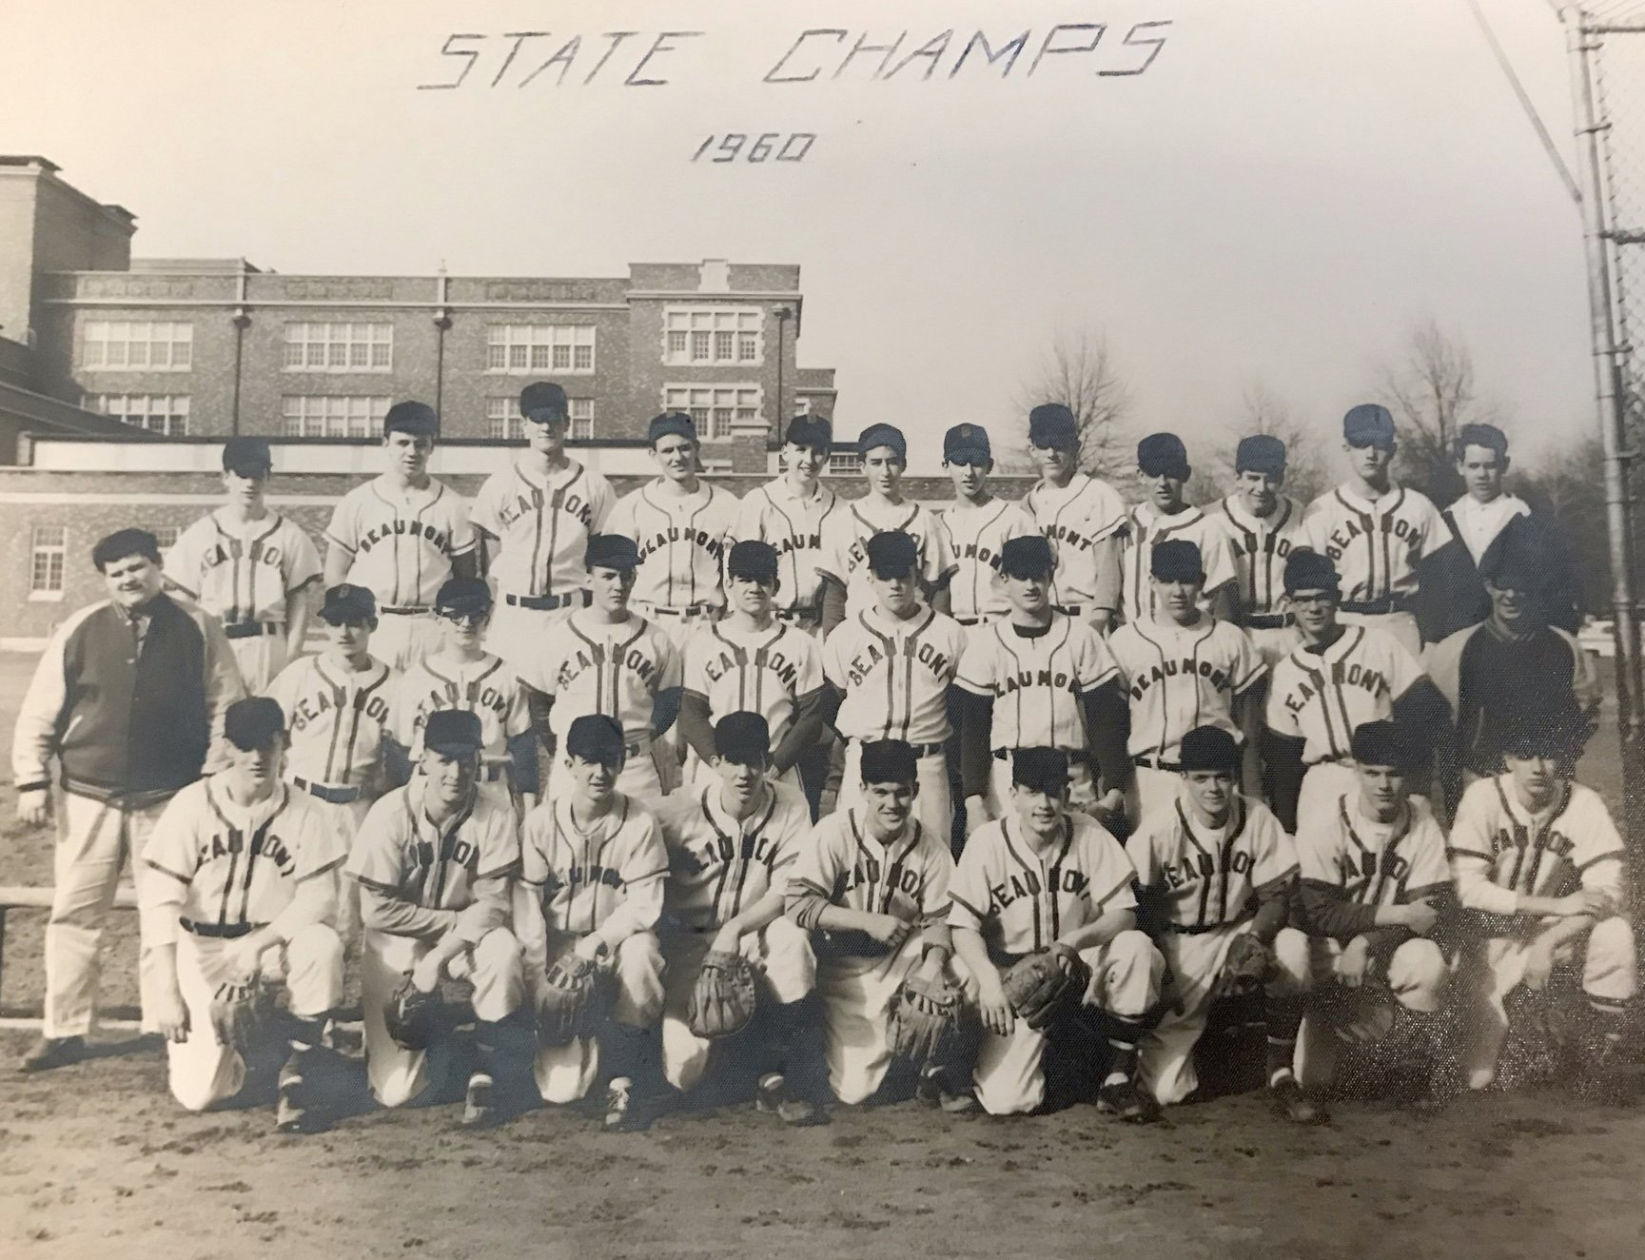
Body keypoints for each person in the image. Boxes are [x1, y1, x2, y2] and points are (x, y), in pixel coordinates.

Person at [13, 527, 245, 1072]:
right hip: (88, 795)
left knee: (164, 913)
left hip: (169, 797)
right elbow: (41, 709)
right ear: (105, 580)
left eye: (136, 568)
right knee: (74, 912)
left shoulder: (197, 626)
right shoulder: (80, 628)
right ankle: (65, 1028)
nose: (128, 580)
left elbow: (227, 703)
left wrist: (212, 774)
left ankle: (158, 1021)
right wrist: (30, 780)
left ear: (158, 567)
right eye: (116, 573)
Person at [140, 697, 346, 1131]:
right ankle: (267, 1051)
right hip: (202, 949)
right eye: (246, 745)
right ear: (229, 748)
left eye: (268, 744)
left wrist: (258, 945)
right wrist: (167, 990)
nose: (258, 756)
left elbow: (320, 897)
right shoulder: (192, 805)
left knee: (321, 944)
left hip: (271, 946)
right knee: (200, 1096)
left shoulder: (307, 811)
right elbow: (160, 900)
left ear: (284, 744)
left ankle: (301, 1063)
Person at [949, 747, 1166, 1120]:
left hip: (1075, 961)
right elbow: (962, 927)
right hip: (1016, 978)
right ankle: (965, 1063)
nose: (1044, 804)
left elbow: (1124, 913)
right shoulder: (987, 842)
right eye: (1033, 792)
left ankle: (1116, 1076)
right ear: (1013, 794)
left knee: (1137, 950)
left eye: (1053, 791)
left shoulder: (1089, 834)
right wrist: (988, 981)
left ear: (1067, 794)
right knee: (1010, 1103)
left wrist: (1074, 941)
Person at [346, 709, 525, 1125]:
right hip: (397, 937)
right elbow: (375, 909)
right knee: (397, 1094)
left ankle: (486, 1068)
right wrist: (451, 925)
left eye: (467, 759)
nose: (457, 772)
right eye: (445, 759)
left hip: (465, 938)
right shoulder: (390, 814)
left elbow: (494, 903)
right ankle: (442, 1038)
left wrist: (437, 958)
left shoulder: (496, 810)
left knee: (503, 951)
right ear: (422, 759)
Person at [1447, 702, 1635, 1094]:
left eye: (1548, 754)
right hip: (1482, 939)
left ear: (1563, 757)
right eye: (1525, 754)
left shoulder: (1583, 803)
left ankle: (1597, 1057)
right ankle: (1528, 1027)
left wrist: (1549, 940)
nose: (1537, 767)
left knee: (1615, 933)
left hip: (1543, 936)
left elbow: (1609, 890)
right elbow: (1468, 890)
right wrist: (1555, 906)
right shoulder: (1482, 797)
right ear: (1507, 759)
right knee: (1479, 1078)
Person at [1128, 727, 1315, 1121]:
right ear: (1183, 780)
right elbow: (1139, 909)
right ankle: (1206, 1045)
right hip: (1179, 943)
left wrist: (1254, 938)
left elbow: (1275, 895)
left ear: (1234, 776)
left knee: (1294, 947)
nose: (1213, 788)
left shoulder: (1256, 817)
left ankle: (1280, 1069)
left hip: (1237, 929)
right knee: (1168, 1092)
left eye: (1223, 776)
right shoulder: (1159, 829)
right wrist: (1160, 971)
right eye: (1201, 778)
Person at [654, 713, 823, 1124]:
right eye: (734, 760)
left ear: (766, 761)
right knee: (683, 1073)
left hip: (752, 933)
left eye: (754, 761)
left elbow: (788, 890)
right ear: (717, 763)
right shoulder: (675, 811)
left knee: (793, 941)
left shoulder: (791, 804)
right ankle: (742, 1059)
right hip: (692, 944)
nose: (744, 772)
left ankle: (781, 1070)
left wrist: (735, 929)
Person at [513, 714, 668, 1131]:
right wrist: (536, 971)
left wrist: (594, 946)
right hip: (559, 946)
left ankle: (623, 1076)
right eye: (589, 761)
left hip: (616, 942)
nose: (601, 772)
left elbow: (645, 905)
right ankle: (581, 1039)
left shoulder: (640, 821)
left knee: (644, 956)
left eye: (610, 760)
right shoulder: (542, 823)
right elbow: (526, 901)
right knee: (562, 1091)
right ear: (569, 765)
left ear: (624, 760)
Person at [785, 739, 957, 1105]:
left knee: (961, 968)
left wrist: (934, 965)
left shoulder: (931, 847)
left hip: (899, 960)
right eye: (880, 792)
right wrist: (865, 920)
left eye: (901, 793)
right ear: (861, 789)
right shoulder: (833, 833)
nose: (891, 804)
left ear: (916, 790)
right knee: (854, 1092)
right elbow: (798, 905)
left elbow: (941, 919)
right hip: (841, 966)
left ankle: (936, 1065)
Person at [1291, 721, 1454, 1104]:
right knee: (1314, 1083)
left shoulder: (1422, 823)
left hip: (1382, 948)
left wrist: (1366, 941)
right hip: (1326, 949)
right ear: (1355, 770)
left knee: (1427, 961)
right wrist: (1395, 917)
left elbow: (1429, 912)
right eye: (1373, 773)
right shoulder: (1324, 822)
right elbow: (1319, 913)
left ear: (1408, 775)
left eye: (1394, 774)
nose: (1383, 785)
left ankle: (1411, 1065)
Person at [1262, 551, 1453, 833]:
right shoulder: (1285, 672)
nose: (1313, 608)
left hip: (1378, 776)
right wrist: (1288, 827)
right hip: (1322, 783)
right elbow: (1285, 760)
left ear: (1337, 598)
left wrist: (1412, 779)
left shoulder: (1377, 644)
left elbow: (1428, 712)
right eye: (1303, 599)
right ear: (1290, 603)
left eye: (1322, 596)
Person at [954, 535, 1129, 835]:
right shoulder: (985, 644)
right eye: (1021, 576)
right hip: (1007, 781)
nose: (1030, 585)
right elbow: (973, 728)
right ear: (1004, 580)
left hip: (1072, 777)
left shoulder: (1081, 637)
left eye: (1038, 575)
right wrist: (973, 799)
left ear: (1051, 575)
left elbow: (1106, 719)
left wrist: (1112, 790)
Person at [264, 583, 400, 950]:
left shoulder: (394, 684)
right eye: (336, 622)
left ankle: (327, 996)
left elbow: (400, 757)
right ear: (324, 625)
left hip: (357, 807)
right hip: (301, 799)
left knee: (344, 910)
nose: (344, 632)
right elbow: (267, 732)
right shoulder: (300, 675)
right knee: (282, 895)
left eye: (355, 623)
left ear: (372, 625)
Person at [1426, 530, 1602, 797]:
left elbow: (1587, 712)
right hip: (1479, 779)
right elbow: (1439, 721)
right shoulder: (1456, 649)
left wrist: (1560, 758)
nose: (1510, 595)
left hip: (1546, 777)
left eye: (1520, 586)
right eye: (1501, 585)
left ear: (1534, 587)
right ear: (1488, 586)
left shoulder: (1563, 645)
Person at [1107, 540, 1265, 829]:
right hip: (1150, 778)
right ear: (1152, 581)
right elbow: (1112, 727)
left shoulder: (1229, 638)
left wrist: (1253, 792)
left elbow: (1249, 725)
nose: (1177, 591)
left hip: (1213, 780)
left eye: (1187, 581)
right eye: (1168, 581)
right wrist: (1113, 787)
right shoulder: (1125, 641)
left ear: (1202, 582)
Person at [821, 532, 966, 844]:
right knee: (858, 860)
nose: (895, 585)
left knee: (931, 860)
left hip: (925, 764)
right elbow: (832, 702)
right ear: (870, 578)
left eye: (902, 575)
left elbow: (962, 708)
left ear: (916, 575)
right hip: (866, 760)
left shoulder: (950, 633)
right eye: (885, 576)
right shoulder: (846, 635)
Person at [517, 534, 682, 801]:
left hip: (634, 767)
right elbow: (538, 701)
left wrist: (642, 736)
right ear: (588, 579)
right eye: (608, 576)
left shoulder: (656, 639)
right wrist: (564, 747)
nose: (619, 585)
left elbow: (669, 701)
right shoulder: (559, 636)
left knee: (640, 836)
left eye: (626, 576)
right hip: (575, 767)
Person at [470, 381, 616, 674]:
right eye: (537, 419)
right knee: (510, 706)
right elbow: (489, 564)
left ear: (567, 423)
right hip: (513, 616)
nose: (545, 427)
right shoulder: (501, 482)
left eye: (553, 418)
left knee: (567, 705)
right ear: (524, 425)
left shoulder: (594, 485)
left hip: (570, 612)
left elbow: (604, 559)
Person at [322, 400, 477, 671]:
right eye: (402, 443)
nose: (412, 452)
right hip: (375, 623)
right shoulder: (358, 501)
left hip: (431, 625)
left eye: (420, 444)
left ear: (431, 447)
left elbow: (466, 580)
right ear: (386, 444)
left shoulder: (451, 504)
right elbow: (335, 575)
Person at [164, 436, 322, 692]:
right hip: (217, 639)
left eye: (257, 475)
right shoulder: (201, 533)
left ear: (268, 477)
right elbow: (184, 603)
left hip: (268, 643)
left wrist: (291, 656)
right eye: (242, 475)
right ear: (226, 477)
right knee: (218, 724)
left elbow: (299, 603)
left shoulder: (289, 535)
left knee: (266, 725)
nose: (250, 484)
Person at [677, 540, 827, 798]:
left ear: (775, 586)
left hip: (779, 770)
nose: (754, 588)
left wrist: (777, 765)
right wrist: (717, 761)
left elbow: (811, 718)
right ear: (729, 584)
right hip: (718, 771)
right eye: (745, 580)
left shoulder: (801, 643)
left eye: (763, 580)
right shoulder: (703, 641)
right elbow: (691, 714)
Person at [1301, 403, 1449, 656]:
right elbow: (1305, 586)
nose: (1370, 453)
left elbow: (1442, 579)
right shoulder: (1322, 511)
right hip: (1344, 620)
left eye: (1379, 444)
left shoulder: (1418, 506)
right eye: (1361, 443)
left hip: (1402, 622)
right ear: (1346, 447)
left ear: (1392, 449)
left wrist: (1433, 636)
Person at [1416, 423, 1581, 642]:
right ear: (1460, 466)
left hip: (1517, 649)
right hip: (1456, 648)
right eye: (1474, 466)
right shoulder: (1441, 523)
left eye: (1490, 466)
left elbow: (1557, 594)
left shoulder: (1533, 524)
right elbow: (1430, 595)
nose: (1482, 475)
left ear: (1504, 465)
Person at [391, 578, 538, 813]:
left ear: (487, 620)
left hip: (491, 791)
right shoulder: (415, 678)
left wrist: (528, 810)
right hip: (429, 791)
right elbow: (400, 752)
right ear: (438, 620)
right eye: (455, 616)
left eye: (475, 615)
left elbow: (524, 749)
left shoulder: (507, 675)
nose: (466, 623)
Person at [606, 411, 740, 647]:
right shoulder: (631, 506)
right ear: (653, 454)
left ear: (697, 448)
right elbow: (609, 572)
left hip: (706, 624)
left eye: (684, 448)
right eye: (667, 450)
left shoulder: (726, 504)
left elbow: (738, 573)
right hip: (646, 622)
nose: (677, 457)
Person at [817, 423, 955, 634]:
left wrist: (940, 638)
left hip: (915, 631)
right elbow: (834, 593)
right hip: (859, 631)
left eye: (892, 462)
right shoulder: (844, 520)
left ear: (903, 465)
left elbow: (939, 590)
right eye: (876, 463)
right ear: (863, 466)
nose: (885, 472)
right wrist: (833, 642)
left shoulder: (925, 520)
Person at [1021, 403, 1128, 634]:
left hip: (1086, 616)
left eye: (1059, 444)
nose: (1051, 453)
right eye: (1043, 444)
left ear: (1075, 447)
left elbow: (1109, 569)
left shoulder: (1098, 494)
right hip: (1041, 619)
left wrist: (1099, 621)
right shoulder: (1026, 506)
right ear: (1032, 448)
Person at [729, 414, 839, 637]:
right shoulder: (758, 501)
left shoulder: (840, 509)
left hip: (820, 627)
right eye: (801, 449)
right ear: (785, 452)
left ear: (827, 456)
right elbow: (735, 569)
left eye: (817, 451)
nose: (809, 459)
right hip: (769, 622)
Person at [1116, 433, 1237, 624]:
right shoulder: (1122, 523)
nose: (1162, 483)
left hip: (1190, 637)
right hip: (1131, 639)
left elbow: (1222, 602)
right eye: (1154, 473)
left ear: (1185, 474)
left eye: (1171, 473)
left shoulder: (1207, 528)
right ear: (1141, 475)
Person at [1213, 434, 1310, 665]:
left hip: (1289, 633)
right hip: (1238, 632)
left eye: (1270, 479)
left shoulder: (1299, 513)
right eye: (1253, 478)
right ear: (1238, 478)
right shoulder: (1214, 517)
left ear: (1282, 478)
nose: (1262, 488)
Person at [933, 422, 1035, 628]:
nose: (969, 472)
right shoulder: (937, 525)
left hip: (1001, 626)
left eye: (977, 462)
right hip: (952, 629)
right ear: (945, 466)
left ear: (989, 465)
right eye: (960, 462)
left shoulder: (1015, 520)